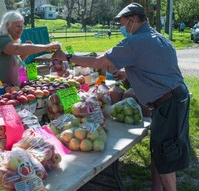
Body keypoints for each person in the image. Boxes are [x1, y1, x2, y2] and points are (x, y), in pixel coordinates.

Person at [52, 3, 190, 191]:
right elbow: (157, 67)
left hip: (167, 103)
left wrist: (67, 57)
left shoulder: (134, 42)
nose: (122, 28)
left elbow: (97, 62)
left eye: (123, 23)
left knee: (166, 153)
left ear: (133, 21)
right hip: (175, 98)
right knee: (160, 150)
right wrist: (128, 73)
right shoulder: (159, 38)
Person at [0, 10, 61, 86]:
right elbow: (17, 49)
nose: (21, 29)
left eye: (22, 26)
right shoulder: (1, 40)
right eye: (18, 26)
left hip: (9, 89)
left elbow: (15, 64)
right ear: (7, 25)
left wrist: (27, 51)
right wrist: (47, 47)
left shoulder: (11, 42)